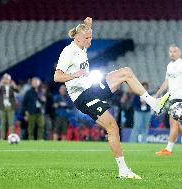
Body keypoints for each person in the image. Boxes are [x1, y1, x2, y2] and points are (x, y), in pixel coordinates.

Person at [53, 17, 169, 179]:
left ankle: (153, 103)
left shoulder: (82, 45)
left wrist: (88, 26)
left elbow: (84, 31)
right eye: (87, 38)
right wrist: (74, 75)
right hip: (83, 97)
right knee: (112, 127)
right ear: (77, 38)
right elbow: (57, 77)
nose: (90, 40)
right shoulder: (68, 51)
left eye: (91, 37)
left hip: (92, 88)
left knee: (126, 72)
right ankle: (123, 170)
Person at [0, 73, 18, 139]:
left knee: (11, 124)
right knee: (2, 123)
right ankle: (2, 138)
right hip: (2, 106)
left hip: (11, 107)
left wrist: (14, 85)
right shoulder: (0, 86)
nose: (7, 79)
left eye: (8, 78)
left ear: (10, 79)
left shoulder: (11, 86)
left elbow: (17, 91)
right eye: (5, 78)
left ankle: (10, 138)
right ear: (3, 79)